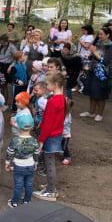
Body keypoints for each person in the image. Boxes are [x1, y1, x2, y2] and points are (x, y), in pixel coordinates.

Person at [33, 71, 65, 202]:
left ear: (55, 84)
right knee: (49, 162)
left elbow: (49, 124)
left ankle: (51, 191)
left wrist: (41, 140)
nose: (45, 86)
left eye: (47, 84)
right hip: (56, 133)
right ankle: (50, 187)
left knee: (49, 163)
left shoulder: (53, 101)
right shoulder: (60, 98)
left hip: (50, 135)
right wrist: (43, 121)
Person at [80, 27, 112, 122]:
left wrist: (94, 52)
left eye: (101, 34)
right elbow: (93, 56)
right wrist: (90, 56)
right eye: (98, 34)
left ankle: (100, 114)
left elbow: (106, 61)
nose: (99, 36)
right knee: (91, 91)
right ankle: (91, 112)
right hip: (92, 69)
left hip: (102, 73)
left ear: (107, 35)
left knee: (100, 93)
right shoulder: (98, 43)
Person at [5, 114, 40, 208]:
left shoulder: (15, 140)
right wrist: (36, 163)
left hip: (19, 166)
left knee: (18, 184)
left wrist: (7, 163)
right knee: (29, 184)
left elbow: (10, 152)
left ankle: (15, 202)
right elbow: (37, 153)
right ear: (32, 127)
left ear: (19, 127)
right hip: (31, 165)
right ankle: (27, 201)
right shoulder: (34, 141)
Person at [0, 34, 17, 105]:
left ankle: (5, 103)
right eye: (1, 42)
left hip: (6, 66)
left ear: (6, 41)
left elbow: (17, 57)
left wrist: (11, 66)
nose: (1, 44)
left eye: (3, 43)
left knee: (5, 85)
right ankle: (1, 100)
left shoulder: (11, 47)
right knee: (1, 84)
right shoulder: (0, 46)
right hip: (0, 66)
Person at [61, 99, 73, 165]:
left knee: (64, 147)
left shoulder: (68, 115)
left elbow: (63, 123)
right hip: (61, 134)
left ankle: (67, 157)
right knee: (60, 144)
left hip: (65, 135)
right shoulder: (63, 113)